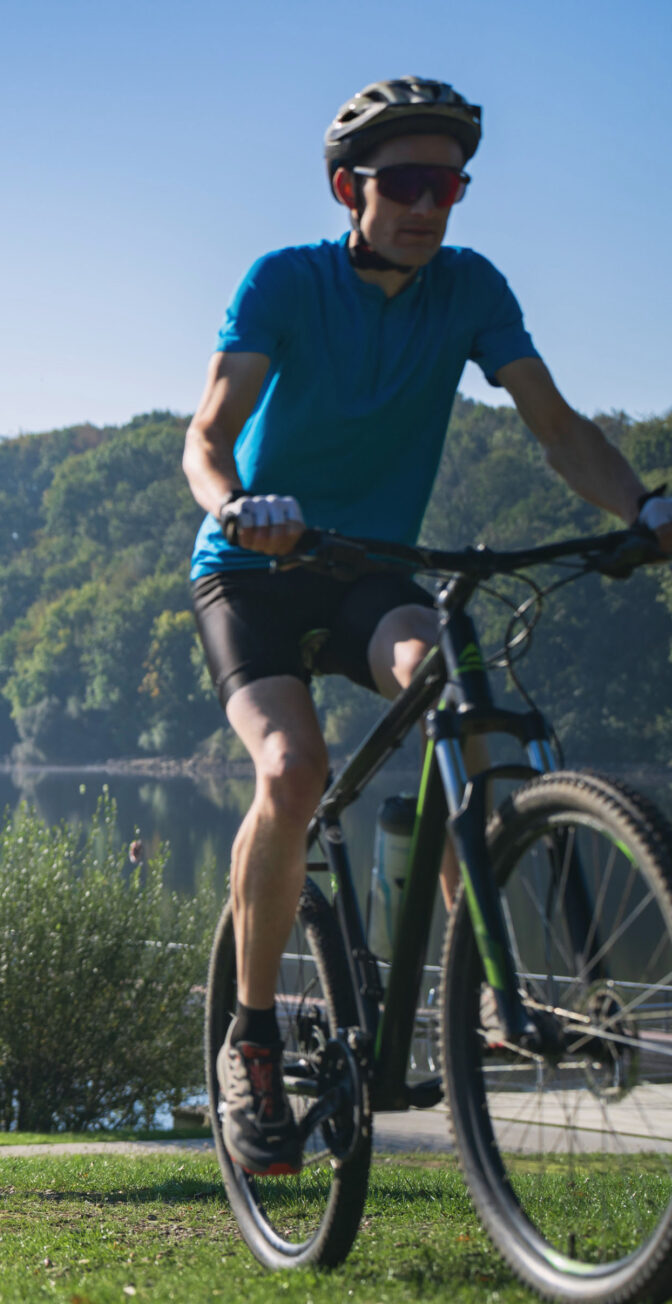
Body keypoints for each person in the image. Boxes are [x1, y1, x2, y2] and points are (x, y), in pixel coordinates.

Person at [184, 78, 672, 1176]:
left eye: (447, 184)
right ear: (350, 188)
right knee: (293, 764)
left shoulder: (470, 289)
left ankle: (481, 985)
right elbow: (208, 432)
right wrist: (236, 508)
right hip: (256, 569)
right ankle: (251, 1035)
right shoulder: (285, 282)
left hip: (370, 570)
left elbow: (555, 428)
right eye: (404, 183)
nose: (428, 206)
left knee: (462, 694)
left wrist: (641, 508)